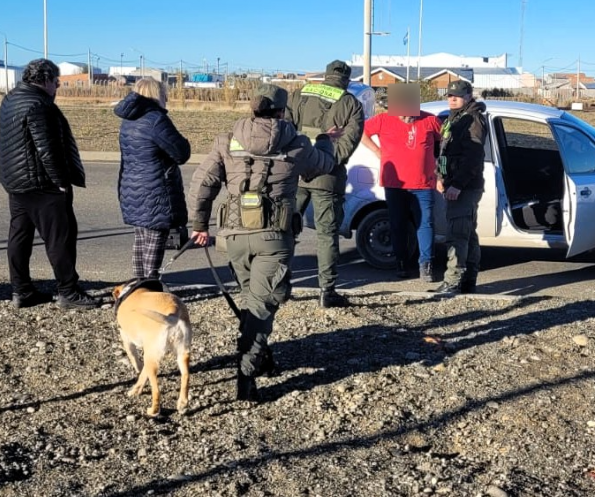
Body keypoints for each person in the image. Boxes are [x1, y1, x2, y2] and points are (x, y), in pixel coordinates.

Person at [188, 85, 338, 402]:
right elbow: (325, 165)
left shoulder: (227, 140)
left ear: (252, 109)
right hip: (273, 240)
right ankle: (246, 378)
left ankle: (263, 357)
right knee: (260, 306)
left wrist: (199, 224)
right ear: (283, 112)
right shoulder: (297, 144)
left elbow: (202, 183)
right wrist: (326, 140)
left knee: (253, 301)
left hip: (234, 239)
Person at [0, 58, 99, 309]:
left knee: (20, 236)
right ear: (44, 80)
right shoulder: (40, 105)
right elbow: (48, 149)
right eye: (57, 82)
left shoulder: (11, 99)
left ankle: (21, 291)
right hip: (42, 183)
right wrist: (62, 182)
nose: (58, 87)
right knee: (60, 238)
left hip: (16, 181)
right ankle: (68, 291)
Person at [287, 60, 364, 308]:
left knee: (284, 229)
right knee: (327, 236)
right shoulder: (350, 103)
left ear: (326, 76)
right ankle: (326, 291)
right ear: (347, 80)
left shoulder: (300, 94)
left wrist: (301, 161)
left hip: (295, 173)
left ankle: (281, 285)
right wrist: (323, 163)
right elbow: (347, 145)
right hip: (327, 177)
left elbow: (285, 130)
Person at [361, 84, 442, 282]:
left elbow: (446, 143)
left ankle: (426, 264)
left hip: (423, 183)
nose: (407, 118)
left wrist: (441, 171)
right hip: (394, 183)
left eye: (411, 114)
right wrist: (377, 151)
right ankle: (402, 263)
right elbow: (361, 133)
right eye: (403, 114)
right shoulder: (382, 120)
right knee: (398, 224)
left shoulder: (431, 120)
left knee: (426, 223)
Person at [114, 77, 191, 279]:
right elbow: (181, 153)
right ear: (157, 94)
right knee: (155, 240)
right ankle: (149, 285)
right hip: (155, 188)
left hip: (132, 187)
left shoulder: (129, 120)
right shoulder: (156, 119)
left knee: (140, 239)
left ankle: (139, 284)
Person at [433, 79, 488, 296]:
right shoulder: (452, 120)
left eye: (457, 95)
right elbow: (444, 153)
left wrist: (457, 184)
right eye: (449, 95)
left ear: (467, 97)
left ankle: (452, 282)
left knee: (457, 235)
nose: (452, 98)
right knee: (468, 234)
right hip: (451, 184)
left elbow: (473, 157)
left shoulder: (472, 120)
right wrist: (440, 177)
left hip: (464, 187)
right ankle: (468, 282)